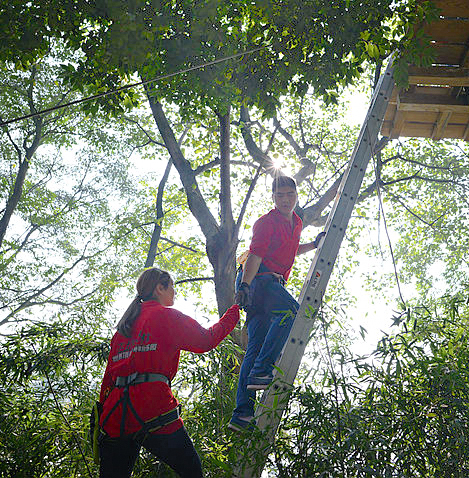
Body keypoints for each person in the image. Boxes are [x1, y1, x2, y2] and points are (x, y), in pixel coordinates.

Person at [97, 267, 240, 478]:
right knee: (191, 472)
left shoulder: (123, 328)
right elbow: (206, 340)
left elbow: (108, 379)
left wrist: (102, 418)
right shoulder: (167, 316)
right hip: (154, 408)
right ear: (159, 288)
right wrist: (233, 314)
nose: (174, 292)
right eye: (172, 286)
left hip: (116, 415)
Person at [228, 175, 325, 432]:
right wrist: (245, 287)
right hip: (258, 280)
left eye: (289, 195)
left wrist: (314, 245)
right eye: (279, 195)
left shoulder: (296, 223)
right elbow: (255, 255)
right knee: (291, 312)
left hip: (269, 283)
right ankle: (263, 369)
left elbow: (291, 249)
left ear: (296, 195)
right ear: (273, 198)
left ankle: (242, 413)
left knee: (255, 345)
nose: (285, 199)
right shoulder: (266, 223)